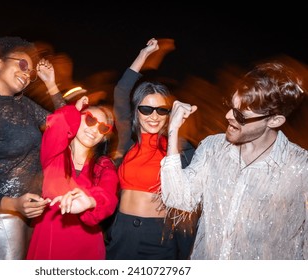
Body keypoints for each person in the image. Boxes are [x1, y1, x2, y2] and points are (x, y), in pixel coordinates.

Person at [160, 61, 308, 259]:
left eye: (241, 115)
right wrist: (173, 130)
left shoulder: (300, 168)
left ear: (274, 121)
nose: (228, 115)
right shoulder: (212, 148)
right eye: (230, 106)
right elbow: (178, 198)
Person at [0, 36, 65, 260]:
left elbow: (64, 127)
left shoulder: (23, 104)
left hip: (34, 214)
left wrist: (51, 84)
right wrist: (13, 204)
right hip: (1, 219)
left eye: (31, 72)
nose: (27, 75)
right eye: (22, 65)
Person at [105, 38, 198, 260]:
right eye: (146, 109)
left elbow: (188, 196)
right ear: (137, 111)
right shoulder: (129, 140)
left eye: (161, 110)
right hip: (122, 231)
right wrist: (144, 54)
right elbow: (121, 91)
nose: (153, 116)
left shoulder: (180, 149)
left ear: (169, 113)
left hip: (160, 236)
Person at [26, 95, 119, 260]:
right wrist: (73, 111)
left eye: (103, 128)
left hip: (86, 247)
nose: (94, 129)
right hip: (48, 240)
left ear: (104, 136)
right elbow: (56, 126)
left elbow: (108, 196)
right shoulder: (54, 153)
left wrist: (91, 202)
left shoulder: (104, 165)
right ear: (77, 119)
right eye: (90, 120)